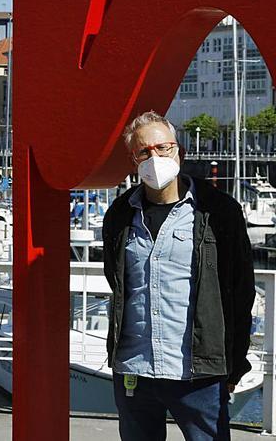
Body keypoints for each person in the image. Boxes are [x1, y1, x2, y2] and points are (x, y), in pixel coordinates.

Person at [102, 111, 255, 441]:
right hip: (134, 369)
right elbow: (116, 281)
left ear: (179, 152)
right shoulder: (119, 214)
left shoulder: (219, 211)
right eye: (144, 151)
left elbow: (241, 292)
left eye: (163, 147)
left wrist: (236, 363)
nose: (154, 157)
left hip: (198, 373)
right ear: (133, 160)